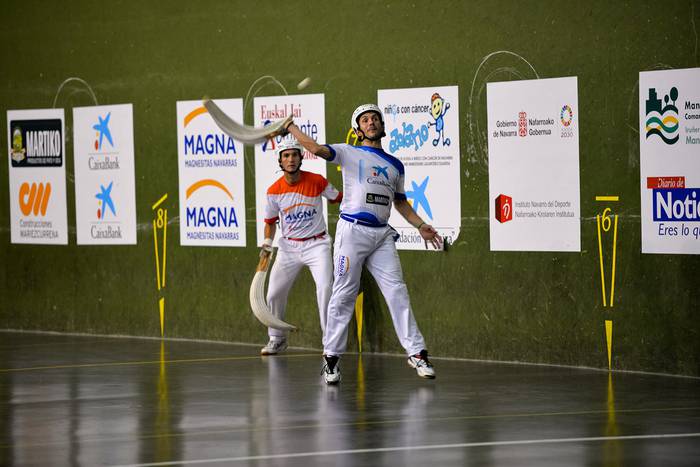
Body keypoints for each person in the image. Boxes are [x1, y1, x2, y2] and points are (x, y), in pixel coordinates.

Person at [283, 104, 442, 384]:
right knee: (343, 294)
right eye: (365, 120)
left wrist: (420, 225)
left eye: (375, 119)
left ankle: (417, 353)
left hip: (381, 236)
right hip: (352, 233)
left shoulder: (395, 165)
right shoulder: (348, 152)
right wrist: (291, 128)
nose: (371, 122)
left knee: (397, 292)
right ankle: (331, 358)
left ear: (382, 126)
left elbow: (400, 202)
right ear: (358, 130)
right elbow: (316, 149)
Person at [259, 135, 342, 356]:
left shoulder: (317, 181)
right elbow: (270, 223)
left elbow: (338, 198)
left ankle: (330, 344)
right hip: (288, 248)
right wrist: (267, 243)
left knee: (325, 288)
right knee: (274, 293)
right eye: (286, 155)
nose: (291, 159)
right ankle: (277, 339)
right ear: (280, 160)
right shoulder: (274, 191)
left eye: (294, 155)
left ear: (301, 157)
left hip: (318, 245)